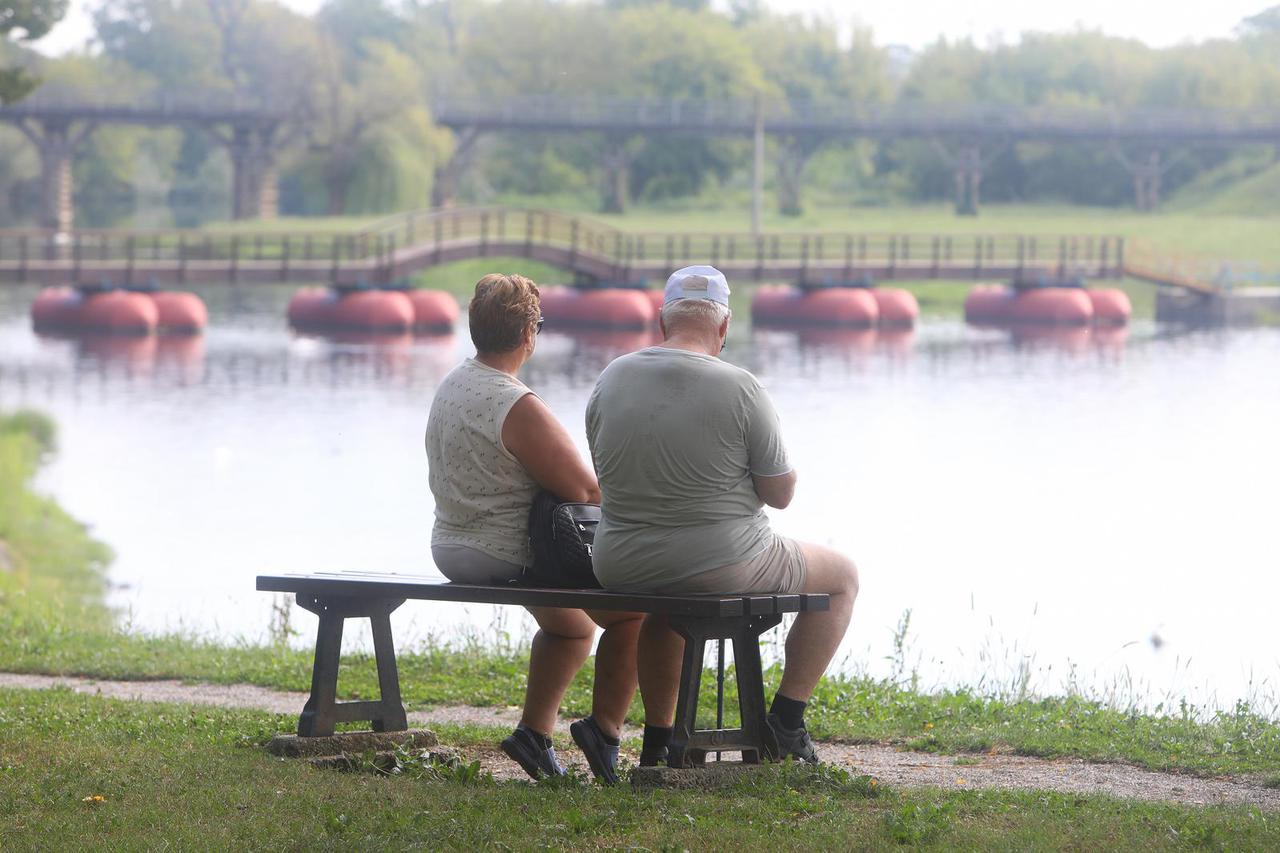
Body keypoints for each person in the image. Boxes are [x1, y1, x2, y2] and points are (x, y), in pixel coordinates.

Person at [585, 265, 859, 765]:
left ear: (663, 320)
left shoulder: (612, 376)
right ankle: (786, 722)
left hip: (620, 561)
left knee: (667, 607)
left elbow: (606, 473)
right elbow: (779, 495)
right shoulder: (742, 388)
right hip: (719, 562)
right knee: (843, 576)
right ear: (725, 325)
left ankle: (660, 744)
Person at [425, 273, 641, 784]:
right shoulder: (515, 402)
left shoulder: (454, 383)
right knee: (635, 615)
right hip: (504, 551)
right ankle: (605, 731)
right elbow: (585, 492)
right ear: (527, 334)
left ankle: (533, 735)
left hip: (450, 545)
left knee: (572, 627)